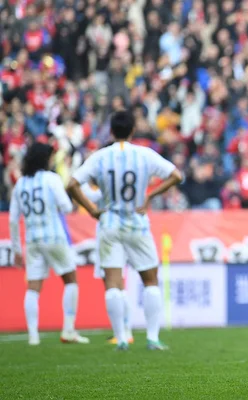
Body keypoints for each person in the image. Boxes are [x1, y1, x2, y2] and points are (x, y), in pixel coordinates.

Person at [67, 111, 183, 351]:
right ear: (132, 130)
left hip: (109, 223)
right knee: (150, 281)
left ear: (111, 131)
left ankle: (121, 338)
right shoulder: (144, 154)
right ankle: (152, 338)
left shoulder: (100, 157)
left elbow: (72, 184)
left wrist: (91, 210)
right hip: (136, 222)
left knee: (112, 283)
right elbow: (176, 175)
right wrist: (151, 195)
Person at [9, 142, 90, 346]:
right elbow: (65, 206)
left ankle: (33, 336)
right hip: (54, 236)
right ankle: (69, 330)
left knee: (33, 287)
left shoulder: (21, 184)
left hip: (32, 240)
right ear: (45, 159)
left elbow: (12, 219)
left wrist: (17, 249)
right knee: (71, 280)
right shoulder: (51, 179)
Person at [80, 179, 134, 345]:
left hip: (109, 235)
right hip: (126, 232)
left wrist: (83, 175)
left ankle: (122, 333)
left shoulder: (108, 185)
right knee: (120, 285)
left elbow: (87, 193)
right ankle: (126, 331)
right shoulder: (126, 185)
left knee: (112, 284)